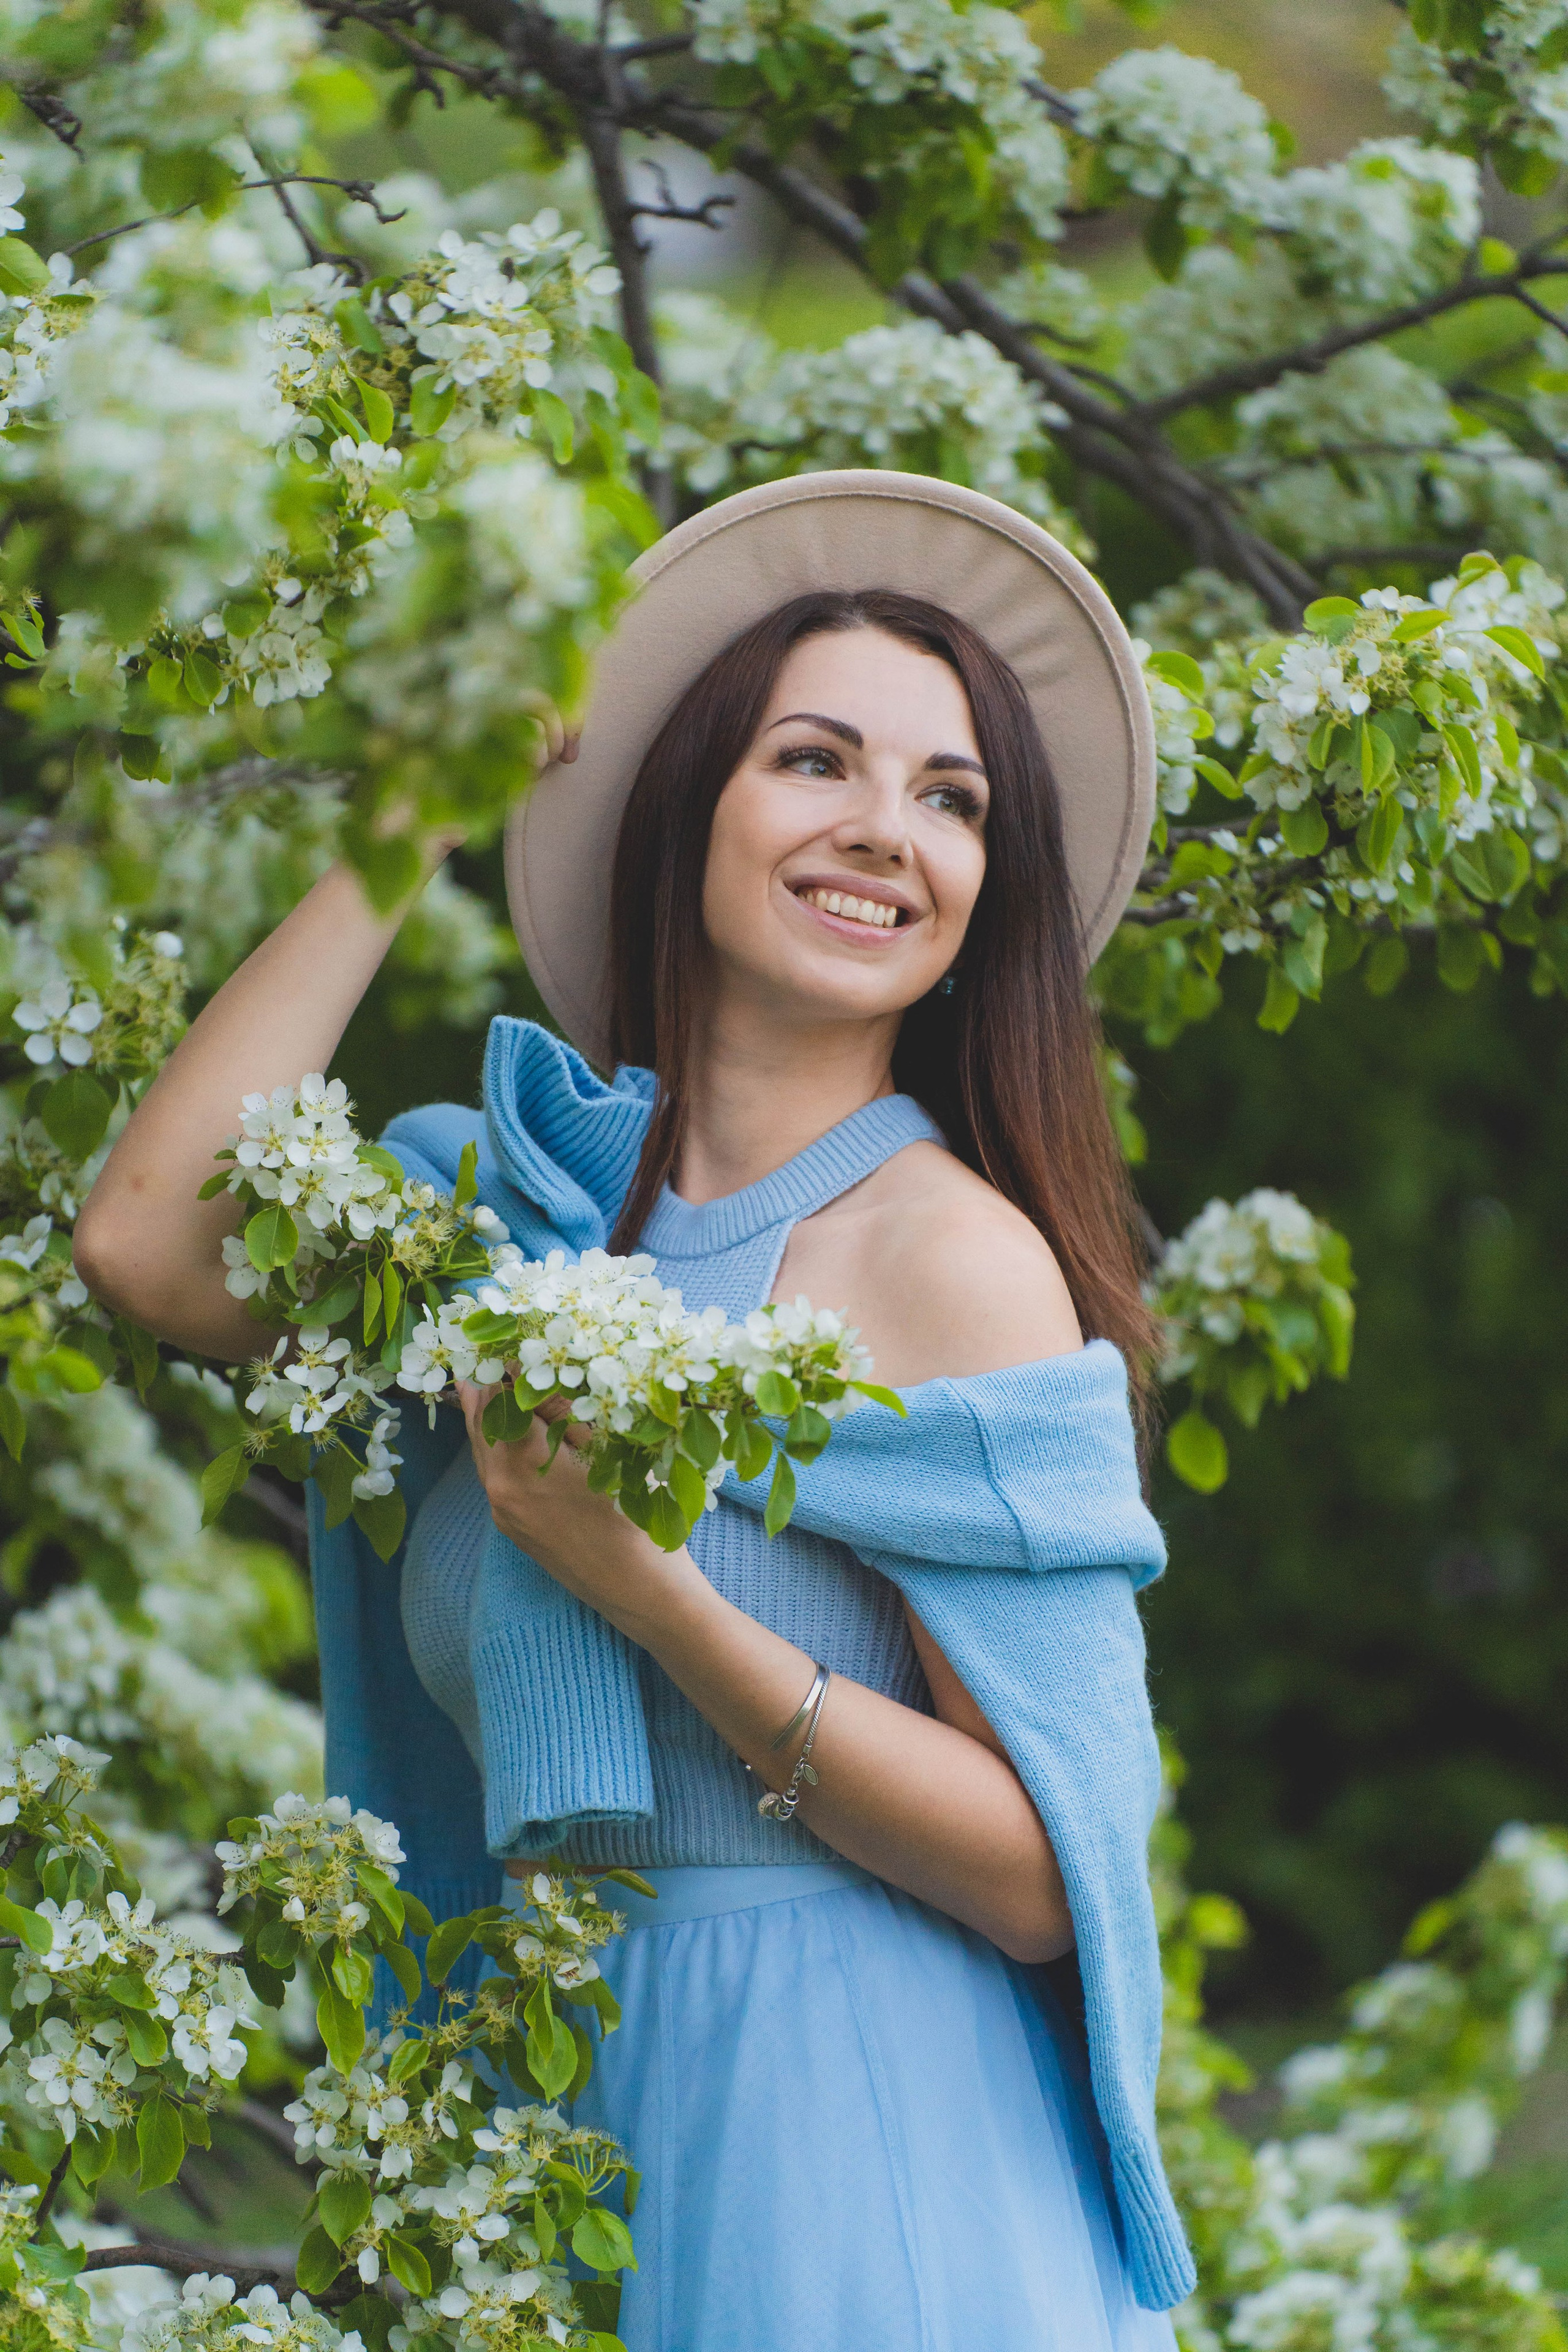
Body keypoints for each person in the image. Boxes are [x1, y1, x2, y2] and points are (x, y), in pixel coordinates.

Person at [77, 472, 1194, 2348]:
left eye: (952, 798)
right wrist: (415, 813)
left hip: (858, 2140)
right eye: (815, 761)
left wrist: (649, 1588)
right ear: (689, 806)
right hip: (568, 2117)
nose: (885, 828)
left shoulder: (946, 1258)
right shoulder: (502, 1218)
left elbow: (1042, 1877)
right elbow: (148, 1246)